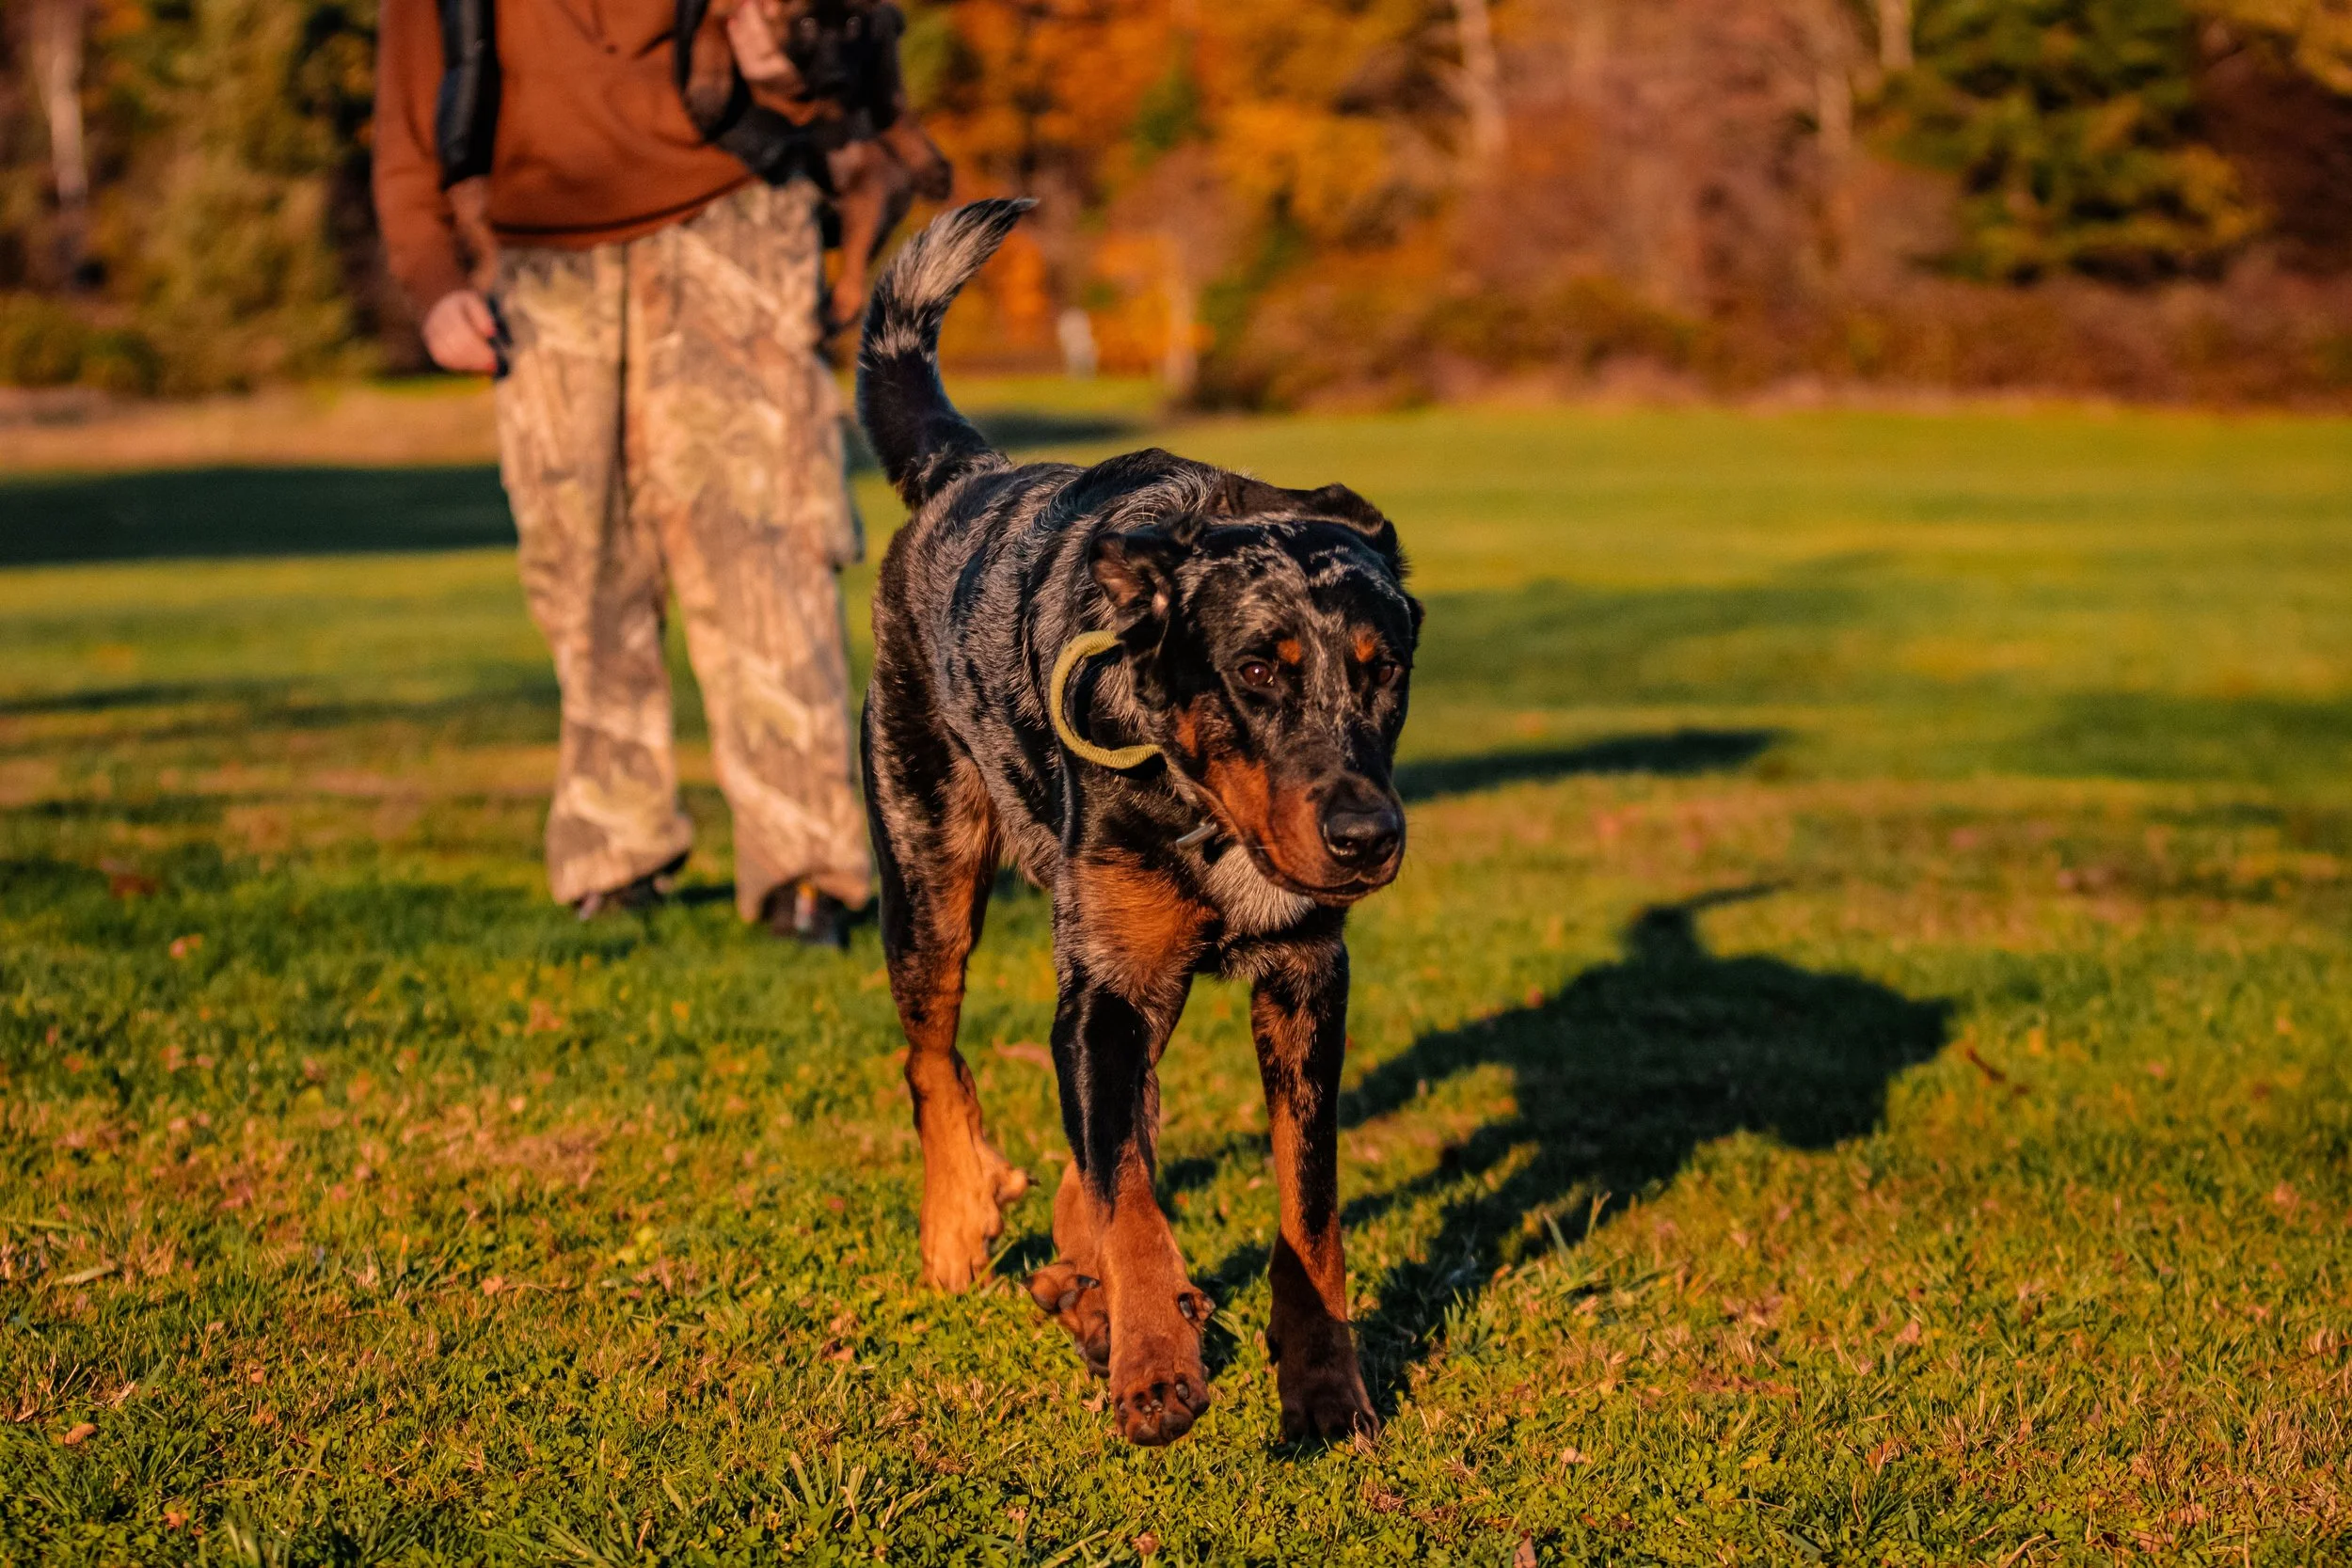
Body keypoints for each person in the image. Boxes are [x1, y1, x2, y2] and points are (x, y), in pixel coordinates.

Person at [372, 0, 873, 945]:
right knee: (580, 566)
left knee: (765, 546)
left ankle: (807, 870)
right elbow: (405, 132)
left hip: (734, 221)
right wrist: (435, 284)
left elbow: (848, 64)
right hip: (540, 258)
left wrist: (783, 64)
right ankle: (615, 855)